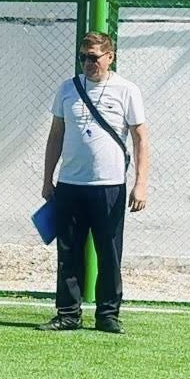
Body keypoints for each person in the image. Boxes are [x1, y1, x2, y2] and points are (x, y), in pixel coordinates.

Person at [39, 31, 150, 334]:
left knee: (109, 253)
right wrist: (48, 179)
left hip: (109, 186)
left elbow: (141, 138)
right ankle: (68, 314)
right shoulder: (67, 89)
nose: (88, 63)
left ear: (110, 57)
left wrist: (141, 183)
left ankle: (108, 314)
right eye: (83, 58)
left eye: (93, 58)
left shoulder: (127, 90)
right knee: (68, 252)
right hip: (70, 185)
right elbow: (56, 135)